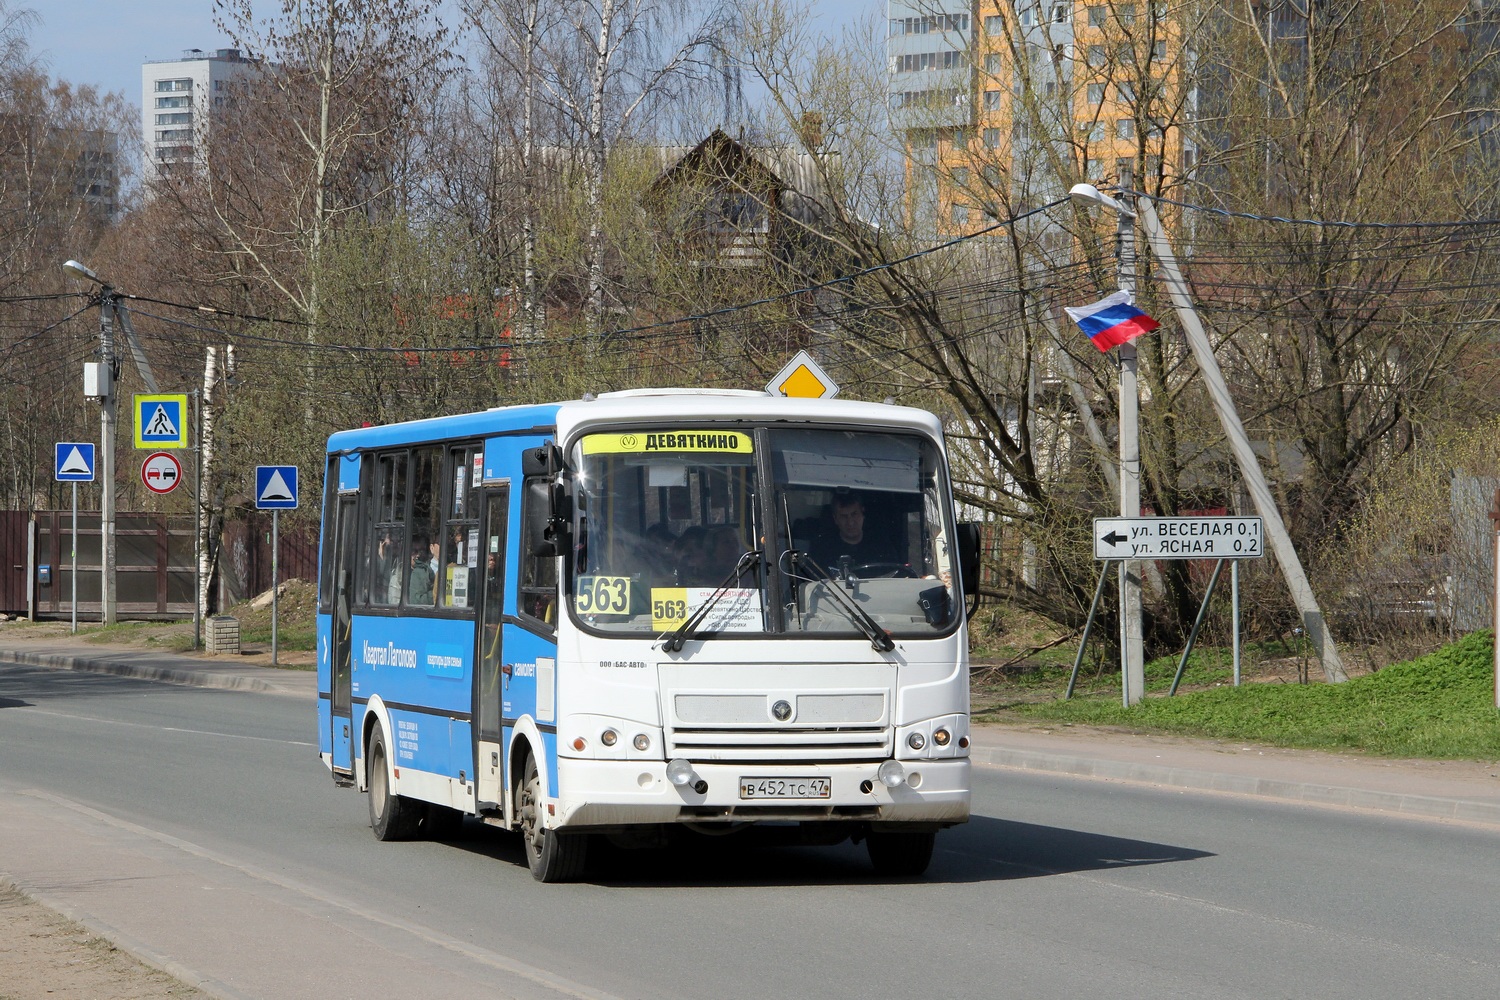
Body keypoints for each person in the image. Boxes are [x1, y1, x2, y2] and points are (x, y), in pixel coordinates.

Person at [810, 491, 902, 571]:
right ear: (835, 519)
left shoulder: (882, 546)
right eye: (844, 516)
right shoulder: (822, 550)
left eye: (854, 514)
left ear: (863, 513)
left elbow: (895, 577)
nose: (850, 522)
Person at [408, 534, 436, 605]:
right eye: (414, 551)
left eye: (421, 551)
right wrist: (435, 593)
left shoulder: (428, 570)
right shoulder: (399, 577)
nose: (418, 555)